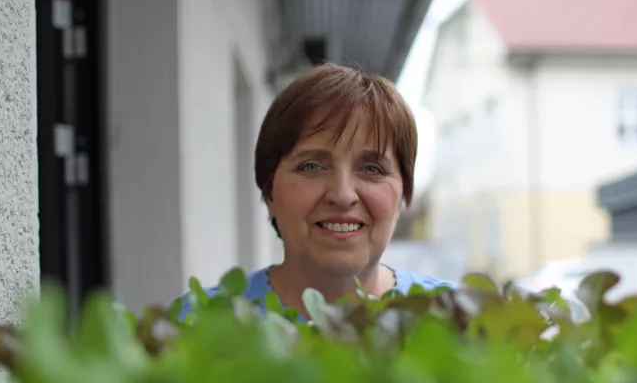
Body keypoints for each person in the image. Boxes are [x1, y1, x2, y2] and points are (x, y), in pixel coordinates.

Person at [177, 63, 453, 322]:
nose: (343, 195)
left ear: (404, 192)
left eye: (371, 169)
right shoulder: (196, 323)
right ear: (269, 190)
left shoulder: (458, 322)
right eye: (311, 166)